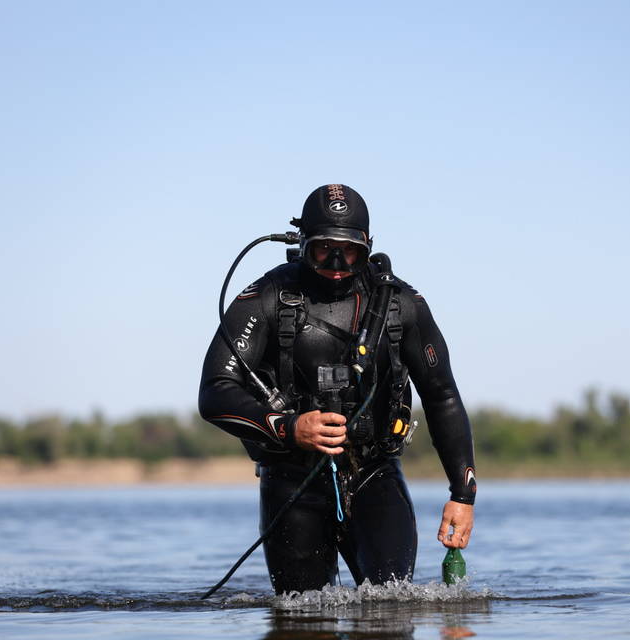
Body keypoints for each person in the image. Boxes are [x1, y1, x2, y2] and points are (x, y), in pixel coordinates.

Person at [198, 184, 476, 594]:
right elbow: (214, 391)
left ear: (367, 247)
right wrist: (288, 428)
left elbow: (442, 395)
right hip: (292, 483)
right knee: (301, 620)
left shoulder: (401, 305)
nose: (335, 262)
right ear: (302, 243)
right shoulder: (267, 298)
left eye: (349, 251)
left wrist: (462, 494)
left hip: (375, 475)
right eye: (322, 249)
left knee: (390, 611)